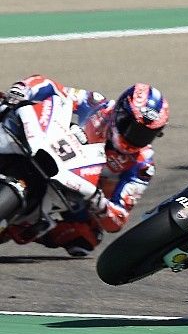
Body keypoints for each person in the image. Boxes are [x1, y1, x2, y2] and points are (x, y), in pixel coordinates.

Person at [1, 76, 169, 256]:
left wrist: (99, 202)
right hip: (43, 144)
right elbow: (52, 87)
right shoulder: (96, 103)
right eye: (132, 127)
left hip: (71, 187)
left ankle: (19, 227)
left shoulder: (142, 164)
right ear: (121, 112)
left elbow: (118, 219)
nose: (135, 137)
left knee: (86, 237)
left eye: (146, 134)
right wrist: (20, 91)